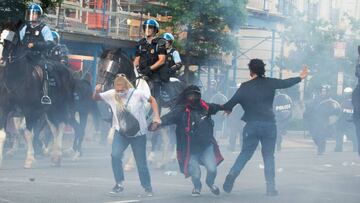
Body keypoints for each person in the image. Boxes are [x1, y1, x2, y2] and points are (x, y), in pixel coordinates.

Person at [222, 59, 309, 196]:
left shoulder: (244, 86)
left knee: (245, 154)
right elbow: (286, 83)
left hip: (251, 125)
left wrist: (227, 109)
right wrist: (301, 77)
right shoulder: (270, 82)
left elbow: (231, 103)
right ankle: (270, 188)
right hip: (269, 125)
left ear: (251, 71)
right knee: (268, 156)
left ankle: (232, 174)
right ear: (263, 70)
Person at [93, 74, 161, 197]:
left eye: (122, 90)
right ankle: (119, 184)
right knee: (115, 155)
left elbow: (153, 100)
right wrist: (97, 91)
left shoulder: (137, 93)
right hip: (121, 133)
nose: (119, 92)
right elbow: (96, 98)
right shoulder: (112, 94)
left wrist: (156, 116)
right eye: (117, 90)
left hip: (138, 134)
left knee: (141, 163)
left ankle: (147, 187)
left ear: (127, 87)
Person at [150, 85, 224, 197]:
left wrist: (227, 107)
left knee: (212, 169)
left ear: (199, 96)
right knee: (195, 172)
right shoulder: (180, 110)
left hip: (206, 145)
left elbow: (218, 107)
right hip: (190, 148)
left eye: (195, 95)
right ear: (186, 96)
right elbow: (167, 118)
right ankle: (197, 186)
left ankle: (210, 183)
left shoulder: (205, 107)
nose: (193, 97)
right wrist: (156, 124)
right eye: (190, 95)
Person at [19, 3, 55, 104]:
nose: (32, 16)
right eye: (30, 13)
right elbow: (20, 41)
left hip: (38, 57)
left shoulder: (44, 28)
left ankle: (45, 94)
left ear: (39, 15)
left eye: (34, 14)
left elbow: (50, 42)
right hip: (25, 56)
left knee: (44, 71)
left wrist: (35, 45)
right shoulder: (24, 28)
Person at [335, 87, 358, 152]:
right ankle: (339, 147)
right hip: (344, 121)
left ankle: (355, 148)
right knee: (340, 133)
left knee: (354, 134)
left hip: (350, 121)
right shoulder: (343, 101)